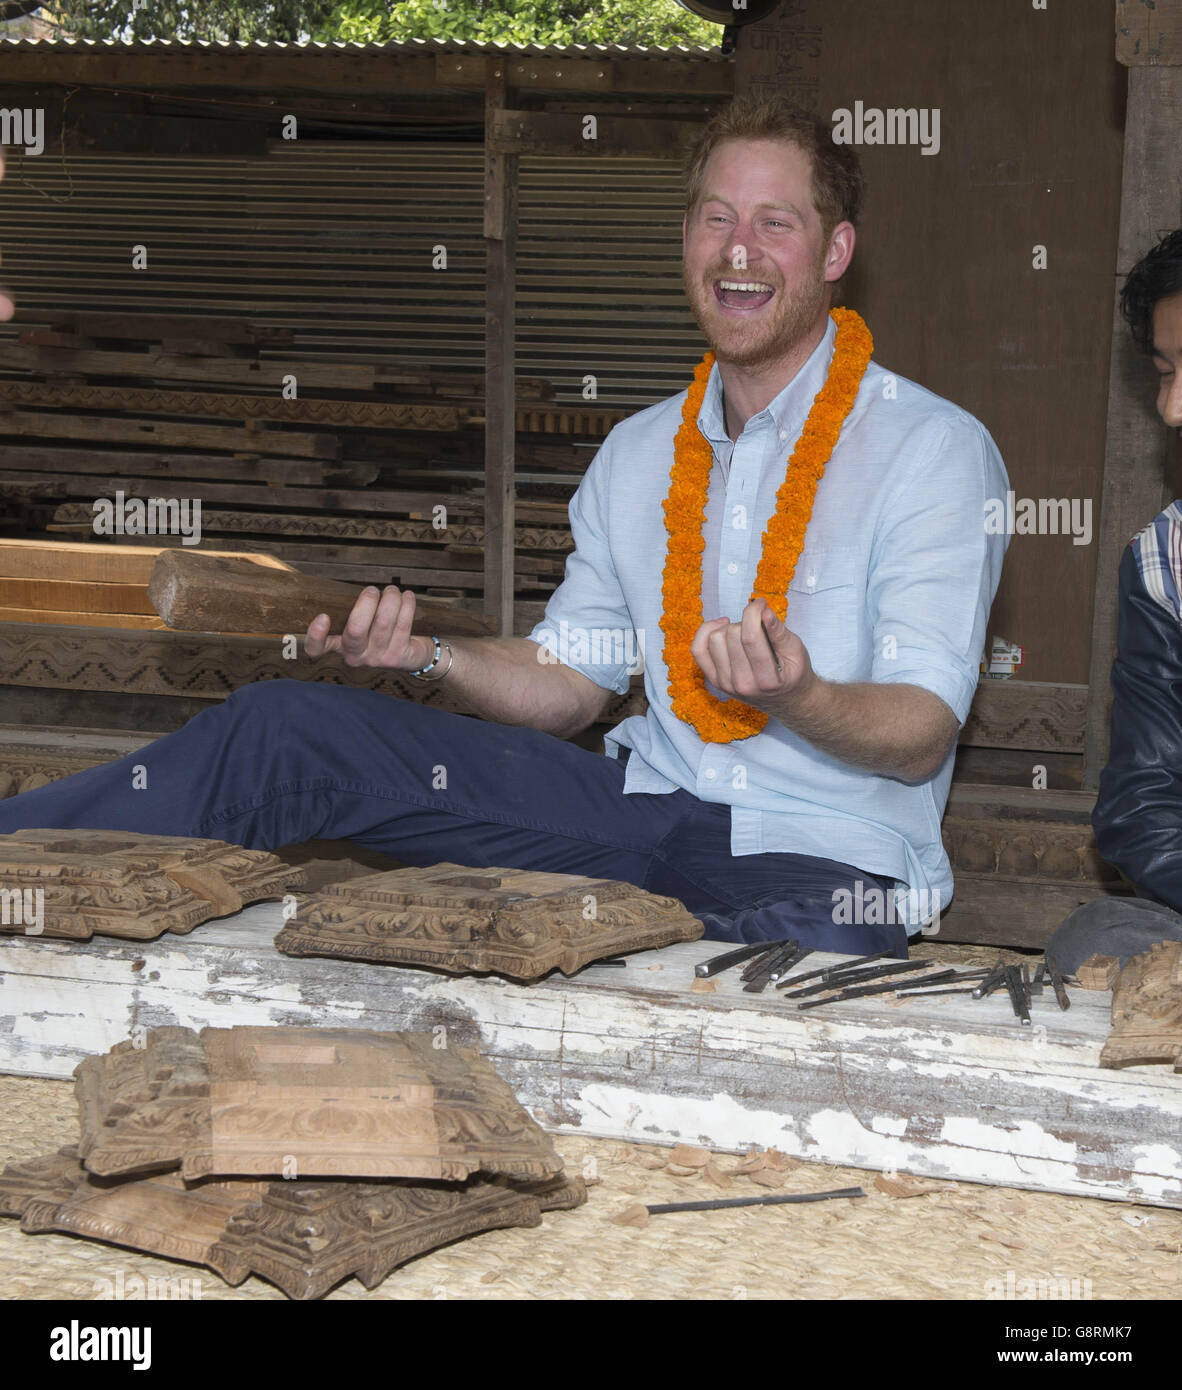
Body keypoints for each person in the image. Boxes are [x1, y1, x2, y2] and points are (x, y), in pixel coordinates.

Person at [0, 96, 1009, 956]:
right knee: (285, 727)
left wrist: (801, 693)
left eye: (775, 222)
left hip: (826, 853)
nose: (738, 250)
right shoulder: (641, 451)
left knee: (817, 947)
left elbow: (920, 734)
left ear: (836, 251)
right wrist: (431, 654)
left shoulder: (930, 450)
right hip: (634, 812)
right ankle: (13, 864)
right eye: (715, 217)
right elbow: (569, 686)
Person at [1048, 229, 1182, 973]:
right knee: (1094, 940)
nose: (1173, 407)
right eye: (1166, 371)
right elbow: (1143, 799)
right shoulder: (1166, 561)